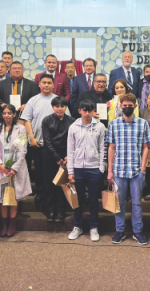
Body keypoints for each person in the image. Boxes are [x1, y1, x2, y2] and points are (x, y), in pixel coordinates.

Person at [107, 93, 150, 245]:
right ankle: (120, 231)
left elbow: (146, 147)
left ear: (135, 106)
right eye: (124, 105)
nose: (127, 108)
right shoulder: (113, 124)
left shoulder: (143, 124)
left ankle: (137, 231)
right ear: (120, 106)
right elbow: (111, 148)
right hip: (119, 170)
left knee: (137, 203)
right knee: (118, 202)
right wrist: (110, 170)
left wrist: (143, 166)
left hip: (136, 170)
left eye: (130, 106)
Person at [21, 74, 71, 204]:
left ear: (54, 85)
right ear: (39, 84)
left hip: (57, 146)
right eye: (44, 82)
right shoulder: (33, 100)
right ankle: (40, 193)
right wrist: (31, 137)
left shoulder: (58, 101)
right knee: (39, 171)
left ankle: (55, 197)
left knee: (55, 173)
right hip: (38, 143)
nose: (46, 85)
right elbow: (26, 120)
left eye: (49, 83)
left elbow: (68, 121)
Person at [0, 105, 31, 237]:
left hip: (15, 167)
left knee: (13, 195)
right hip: (0, 167)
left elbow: (22, 149)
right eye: (4, 113)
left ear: (14, 115)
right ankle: (4, 223)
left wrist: (14, 167)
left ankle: (12, 223)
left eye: (9, 113)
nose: (6, 115)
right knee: (2, 196)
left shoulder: (21, 129)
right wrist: (0, 165)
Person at [67, 99, 106, 242]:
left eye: (89, 110)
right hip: (78, 169)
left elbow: (103, 148)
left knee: (94, 200)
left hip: (94, 169)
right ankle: (77, 226)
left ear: (93, 111)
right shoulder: (73, 127)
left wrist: (101, 167)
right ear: (79, 111)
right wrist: (70, 171)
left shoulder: (100, 126)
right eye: (84, 110)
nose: (87, 113)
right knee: (78, 200)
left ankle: (93, 227)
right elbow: (70, 150)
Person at [42, 96, 75, 222]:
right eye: (57, 106)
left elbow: (73, 140)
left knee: (62, 184)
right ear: (52, 107)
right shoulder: (46, 120)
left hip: (66, 155)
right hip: (49, 155)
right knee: (49, 183)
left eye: (62, 106)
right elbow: (47, 141)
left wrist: (67, 156)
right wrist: (56, 157)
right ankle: (50, 210)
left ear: (66, 107)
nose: (59, 109)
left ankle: (61, 211)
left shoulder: (72, 120)